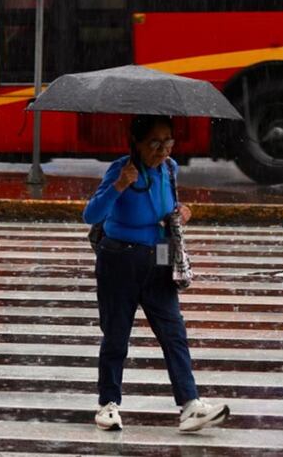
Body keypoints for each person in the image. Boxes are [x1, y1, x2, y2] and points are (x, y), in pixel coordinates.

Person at [83, 115, 230, 433]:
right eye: (155, 143)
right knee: (117, 335)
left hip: (160, 256)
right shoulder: (121, 169)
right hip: (119, 259)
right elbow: (91, 214)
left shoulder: (170, 169)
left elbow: (167, 209)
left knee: (173, 332)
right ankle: (108, 404)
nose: (163, 150)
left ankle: (190, 404)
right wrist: (120, 185)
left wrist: (180, 214)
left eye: (168, 142)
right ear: (135, 142)